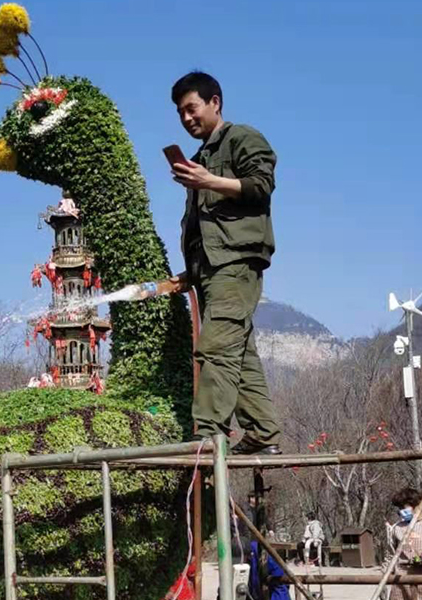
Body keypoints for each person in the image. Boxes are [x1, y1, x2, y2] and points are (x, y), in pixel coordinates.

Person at [166, 71, 281, 455]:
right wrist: (190, 273)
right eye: (180, 113)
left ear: (215, 102)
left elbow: (261, 186)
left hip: (235, 265)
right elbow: (204, 228)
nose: (186, 119)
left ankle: (208, 436)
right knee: (238, 350)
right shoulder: (201, 160)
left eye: (191, 108)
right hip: (209, 271)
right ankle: (262, 431)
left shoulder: (243, 138)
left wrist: (209, 180)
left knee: (215, 347)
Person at [390, 487, 422, 600]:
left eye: (404, 506)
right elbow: (390, 555)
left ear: (417, 505)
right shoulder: (397, 528)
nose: (401, 510)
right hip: (402, 582)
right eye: (399, 508)